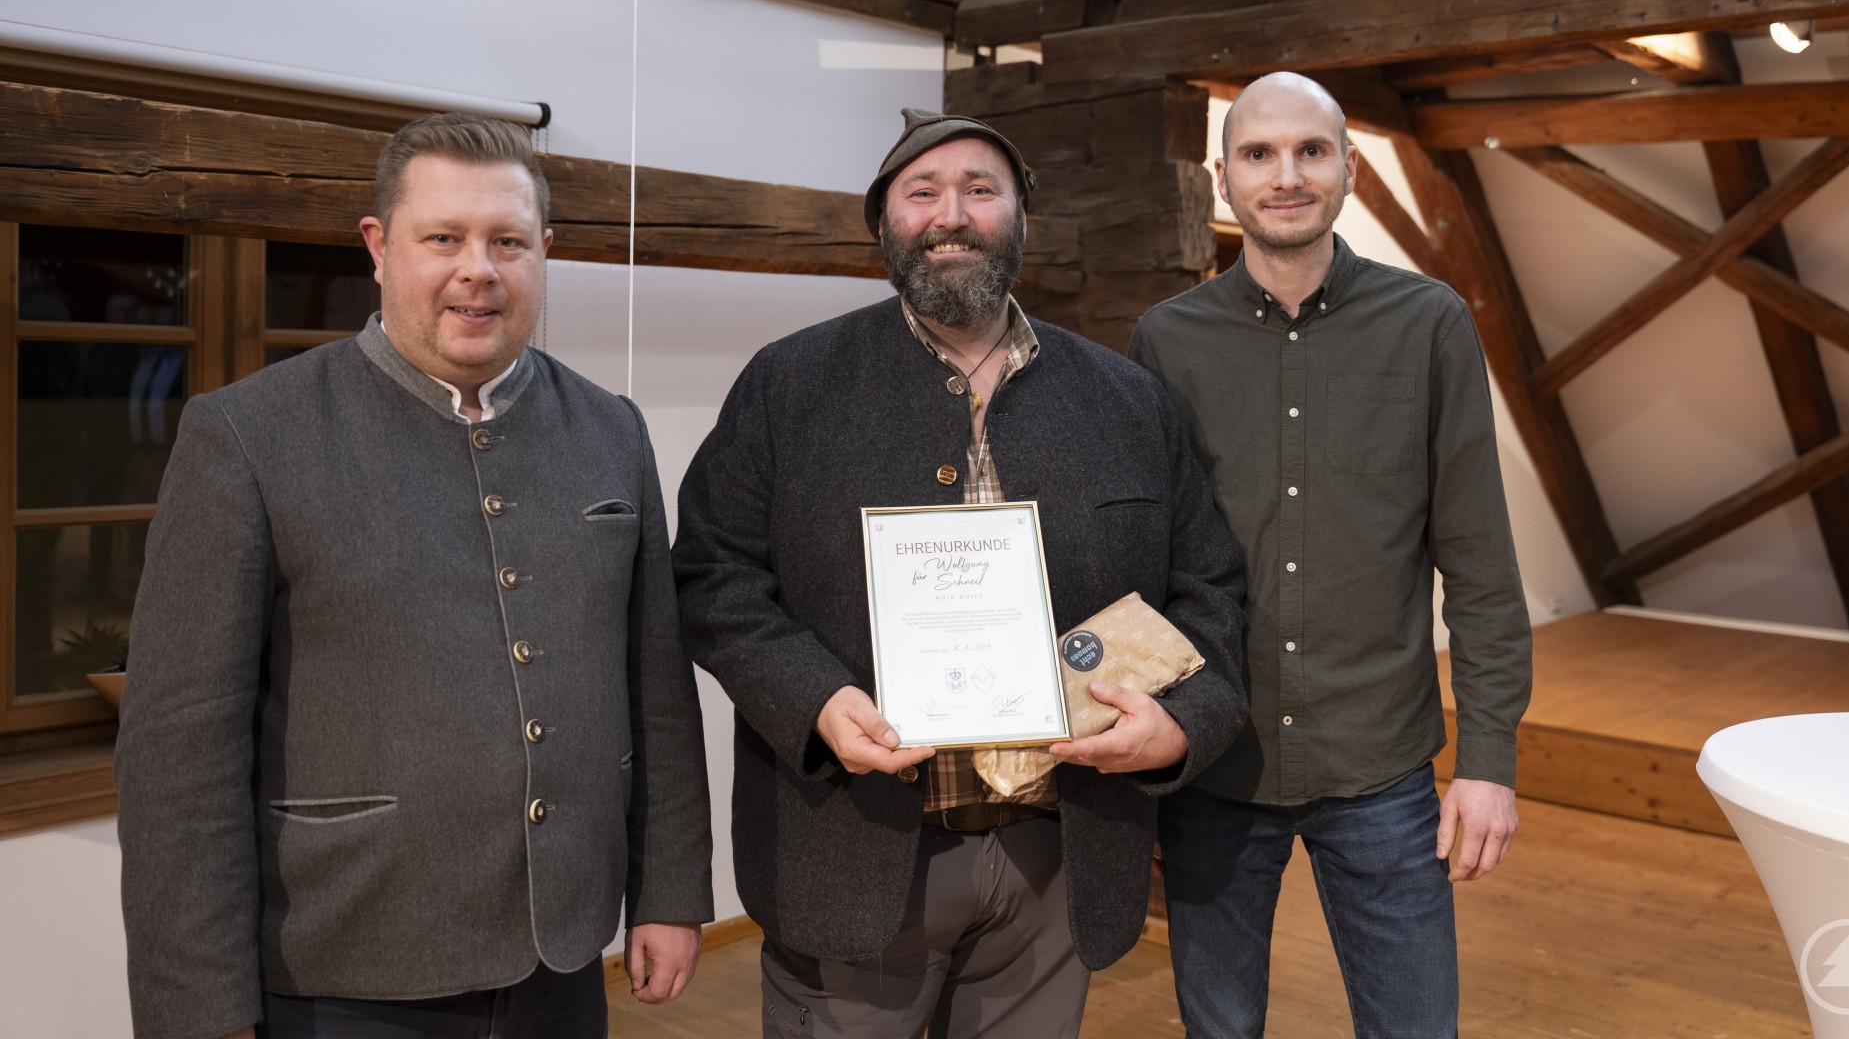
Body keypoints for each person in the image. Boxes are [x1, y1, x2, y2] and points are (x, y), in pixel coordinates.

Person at [115, 113, 713, 1039]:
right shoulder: (246, 435)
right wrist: (199, 1009)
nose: (478, 268)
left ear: (542, 254)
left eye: (507, 242)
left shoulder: (611, 430)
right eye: (444, 238)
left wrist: (671, 892)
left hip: (558, 962)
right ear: (380, 248)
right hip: (342, 971)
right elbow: (178, 753)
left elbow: (656, 686)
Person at [673, 108, 1248, 1038]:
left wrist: (1181, 729)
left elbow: (1212, 592)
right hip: (851, 848)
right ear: (886, 223)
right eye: (923, 192)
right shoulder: (790, 386)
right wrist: (816, 700)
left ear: (1022, 218)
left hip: (1058, 857)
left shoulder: (1127, 400)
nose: (952, 214)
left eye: (981, 191)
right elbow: (711, 575)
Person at [1129, 73, 1534, 1038]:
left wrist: (1489, 759)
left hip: (1381, 765)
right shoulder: (1165, 341)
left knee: (1414, 1026)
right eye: (1258, 154)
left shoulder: (1430, 323)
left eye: (1311, 150)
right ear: (1223, 179)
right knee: (1218, 1028)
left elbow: (1478, 560)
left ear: (1348, 167)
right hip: (1215, 766)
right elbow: (1141, 566)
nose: (1287, 175)